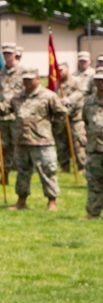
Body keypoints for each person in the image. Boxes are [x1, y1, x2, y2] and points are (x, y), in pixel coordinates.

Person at [0, 67, 67, 211]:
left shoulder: (49, 96)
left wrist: (53, 130)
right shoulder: (17, 97)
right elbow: (2, 111)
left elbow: (61, 114)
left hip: (42, 142)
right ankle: (21, 201)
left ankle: (52, 201)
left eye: (30, 79)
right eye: (25, 79)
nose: (26, 82)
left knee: (47, 172)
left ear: (38, 79)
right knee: (22, 173)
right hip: (22, 141)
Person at [54, 62, 87, 179]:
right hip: (62, 118)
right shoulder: (58, 83)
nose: (60, 72)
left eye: (62, 70)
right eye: (58, 70)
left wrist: (69, 99)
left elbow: (81, 93)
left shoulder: (76, 81)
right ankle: (64, 166)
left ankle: (82, 166)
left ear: (68, 69)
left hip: (76, 117)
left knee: (78, 142)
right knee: (61, 143)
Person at [0, 43, 23, 181]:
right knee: (3, 146)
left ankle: (20, 174)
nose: (7, 56)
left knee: (18, 146)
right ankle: (4, 174)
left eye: (9, 53)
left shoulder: (24, 71)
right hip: (3, 115)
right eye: (5, 53)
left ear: (15, 54)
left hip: (18, 115)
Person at [82, 75, 103, 220]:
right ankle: (93, 212)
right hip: (95, 148)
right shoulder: (89, 102)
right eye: (98, 79)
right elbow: (86, 122)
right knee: (94, 181)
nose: (100, 82)